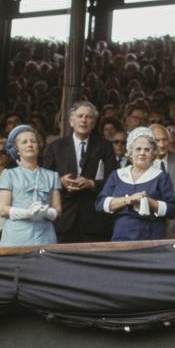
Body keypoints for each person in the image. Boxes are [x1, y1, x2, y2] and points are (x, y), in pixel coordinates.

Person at [41, 100, 118, 243]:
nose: (84, 120)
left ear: (94, 123)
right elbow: (43, 179)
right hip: (64, 218)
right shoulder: (55, 147)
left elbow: (114, 180)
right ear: (71, 121)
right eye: (80, 116)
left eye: (88, 117)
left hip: (94, 219)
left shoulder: (105, 147)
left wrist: (91, 183)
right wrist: (60, 182)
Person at [96, 126, 175, 241]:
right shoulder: (117, 175)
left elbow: (171, 210)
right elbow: (100, 204)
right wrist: (127, 200)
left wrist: (149, 202)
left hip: (151, 236)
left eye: (147, 150)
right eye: (138, 149)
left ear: (153, 153)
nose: (142, 153)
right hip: (121, 236)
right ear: (130, 151)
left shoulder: (161, 177)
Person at [0, 125, 61, 247]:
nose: (29, 145)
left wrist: (45, 212)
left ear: (39, 146)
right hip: (15, 240)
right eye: (24, 142)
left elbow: (57, 210)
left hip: (45, 239)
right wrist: (27, 213)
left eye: (33, 141)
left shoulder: (52, 175)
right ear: (17, 149)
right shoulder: (9, 174)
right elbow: (3, 209)